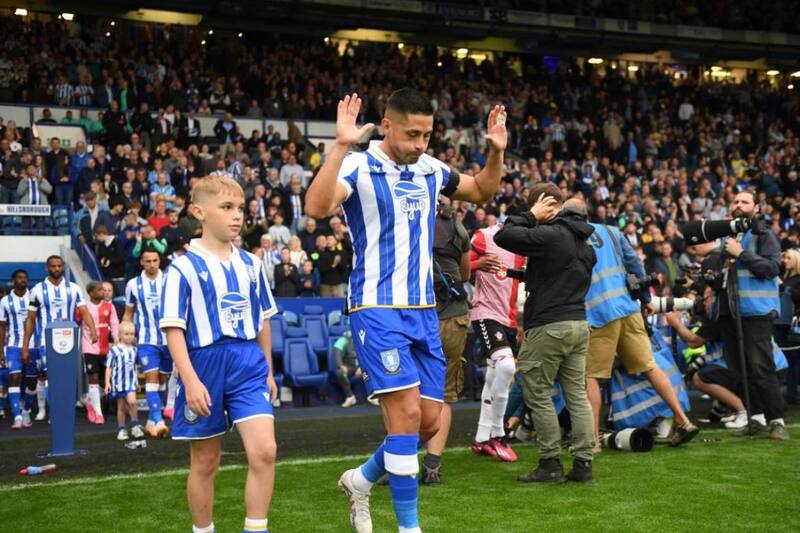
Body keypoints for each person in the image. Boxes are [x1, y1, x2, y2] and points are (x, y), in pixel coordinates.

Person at [305, 90, 506, 533]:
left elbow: (482, 191)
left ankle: (360, 480)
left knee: (429, 422)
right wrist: (339, 145)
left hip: (423, 311)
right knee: (407, 417)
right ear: (387, 125)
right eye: (412, 134)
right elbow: (316, 207)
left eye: (428, 135)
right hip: (376, 307)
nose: (420, 143)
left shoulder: (431, 168)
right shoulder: (358, 164)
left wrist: (495, 153)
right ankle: (409, 528)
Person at [160, 176, 279, 533]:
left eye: (241, 208)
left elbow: (262, 322)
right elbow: (173, 329)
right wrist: (191, 380)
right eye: (227, 208)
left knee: (265, 450)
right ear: (199, 212)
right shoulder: (181, 267)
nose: (237, 216)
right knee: (206, 460)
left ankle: (256, 529)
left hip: (247, 362)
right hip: (204, 363)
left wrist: (268, 370)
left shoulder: (252, 264)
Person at [494, 190, 597, 484]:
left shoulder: (553, 234)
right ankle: (583, 465)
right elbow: (555, 276)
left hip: (549, 326)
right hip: (578, 324)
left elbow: (504, 235)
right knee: (577, 396)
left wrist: (532, 215)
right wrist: (518, 274)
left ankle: (550, 463)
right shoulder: (586, 247)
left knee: (537, 393)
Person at [582, 205, 698, 447]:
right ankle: (684, 420)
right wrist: (645, 299)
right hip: (628, 308)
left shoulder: (568, 235)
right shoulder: (613, 232)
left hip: (599, 313)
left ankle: (592, 440)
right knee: (650, 367)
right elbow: (636, 267)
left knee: (591, 377)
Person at [709, 191, 788, 440]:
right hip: (731, 313)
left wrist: (740, 253)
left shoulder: (764, 235)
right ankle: (756, 418)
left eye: (745, 202)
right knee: (740, 370)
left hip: (756, 312)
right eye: (736, 201)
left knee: (761, 368)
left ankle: (777, 421)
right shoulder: (729, 236)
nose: (739, 205)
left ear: (756, 207)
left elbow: (772, 268)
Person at [469, 216, 526, 462]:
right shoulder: (484, 236)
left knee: (494, 374)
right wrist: (478, 263)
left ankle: (481, 439)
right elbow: (462, 266)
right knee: (505, 366)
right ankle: (498, 435)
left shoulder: (523, 246)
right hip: (485, 312)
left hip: (510, 319)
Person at [422, 203, 471, 484]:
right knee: (443, 395)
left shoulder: (409, 221)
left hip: (417, 315)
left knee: (405, 393)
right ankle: (432, 466)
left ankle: (397, 461)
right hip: (453, 318)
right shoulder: (458, 227)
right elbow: (464, 275)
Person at [22, 256, 98, 421]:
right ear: (47, 268)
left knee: (65, 378)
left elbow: (84, 311)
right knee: (51, 375)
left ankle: (61, 410)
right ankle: (54, 412)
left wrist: (93, 330)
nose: (56, 269)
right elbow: (30, 320)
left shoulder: (74, 288)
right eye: (53, 266)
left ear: (63, 267)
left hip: (68, 341)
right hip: (45, 341)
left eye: (59, 266)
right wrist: (25, 346)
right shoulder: (37, 290)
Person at [123, 249, 172, 437]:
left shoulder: (169, 281)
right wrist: (122, 334)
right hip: (146, 340)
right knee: (151, 379)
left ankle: (152, 421)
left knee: (162, 381)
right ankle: (159, 420)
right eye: (148, 261)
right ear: (142, 263)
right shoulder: (133, 285)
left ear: (159, 261)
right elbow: (128, 312)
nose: (152, 264)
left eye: (155, 260)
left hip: (169, 340)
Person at [0, 269, 41, 429]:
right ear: (13, 280)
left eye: (25, 278)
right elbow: (2, 328)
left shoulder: (35, 297)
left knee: (32, 383)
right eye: (19, 278)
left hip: (33, 346)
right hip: (13, 346)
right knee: (14, 378)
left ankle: (25, 411)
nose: (23, 280)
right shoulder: (5, 301)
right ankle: (17, 417)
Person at [80, 280, 120, 425]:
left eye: (104, 290)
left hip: (106, 348)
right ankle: (98, 413)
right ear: (91, 293)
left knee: (106, 382)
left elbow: (115, 324)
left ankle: (90, 403)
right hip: (89, 347)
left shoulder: (110, 306)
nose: (104, 292)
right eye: (100, 290)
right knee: (94, 379)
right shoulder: (83, 307)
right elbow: (76, 323)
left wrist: (117, 341)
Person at [105, 322, 145, 441]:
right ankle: (121, 429)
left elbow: (134, 367)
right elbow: (109, 367)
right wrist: (108, 383)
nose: (129, 336)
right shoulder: (115, 350)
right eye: (127, 334)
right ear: (120, 335)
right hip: (118, 384)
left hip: (131, 382)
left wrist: (137, 381)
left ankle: (135, 425)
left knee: (132, 402)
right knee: (121, 406)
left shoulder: (134, 350)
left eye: (132, 334)